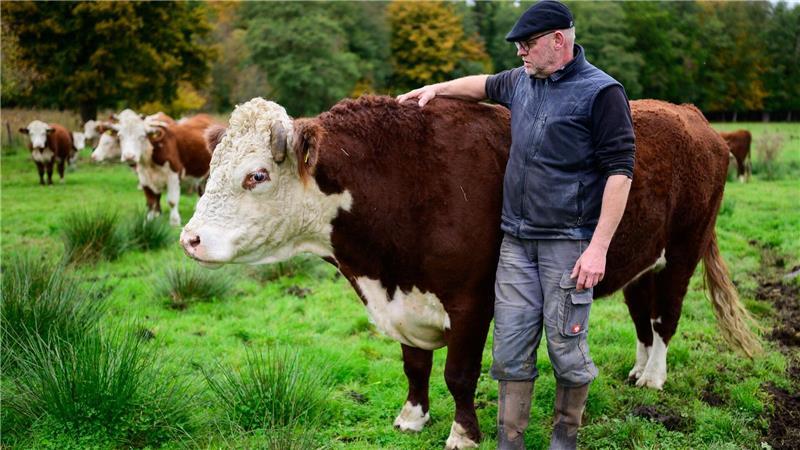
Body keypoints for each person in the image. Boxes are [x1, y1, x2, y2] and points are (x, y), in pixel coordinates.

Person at [397, 1, 635, 449]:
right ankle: (511, 442)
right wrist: (436, 87)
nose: (520, 53)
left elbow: (621, 172)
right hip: (516, 243)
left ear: (558, 41)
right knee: (509, 350)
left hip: (568, 243)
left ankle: (564, 438)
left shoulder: (602, 93)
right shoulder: (522, 80)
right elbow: (481, 85)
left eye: (527, 44)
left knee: (566, 350)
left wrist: (598, 246)